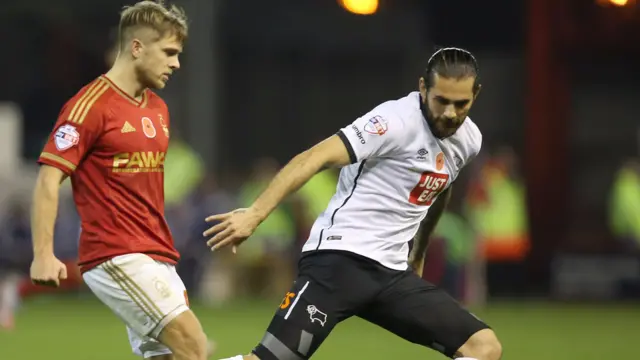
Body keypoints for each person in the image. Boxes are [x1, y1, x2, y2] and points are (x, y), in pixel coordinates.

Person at [205, 47, 503, 360]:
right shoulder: (393, 121)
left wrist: (418, 253)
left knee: (483, 347)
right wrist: (255, 214)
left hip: (391, 275)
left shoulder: (469, 140)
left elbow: (440, 189)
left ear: (476, 95)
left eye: (461, 103)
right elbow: (313, 157)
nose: (450, 112)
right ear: (423, 88)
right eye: (441, 100)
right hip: (339, 261)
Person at [29, 1, 213, 359]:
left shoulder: (158, 108)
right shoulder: (89, 106)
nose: (176, 63)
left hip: (159, 251)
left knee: (171, 356)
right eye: (169, 52)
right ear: (137, 47)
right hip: (117, 253)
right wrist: (42, 255)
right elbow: (49, 180)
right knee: (193, 344)